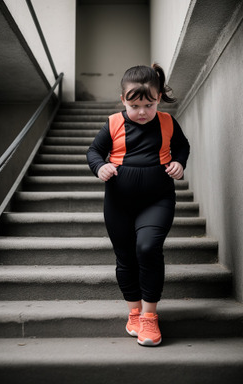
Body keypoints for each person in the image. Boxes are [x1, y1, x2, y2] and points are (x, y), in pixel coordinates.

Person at [86, 63, 190, 347]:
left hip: (158, 199)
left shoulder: (168, 122)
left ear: (158, 99)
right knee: (126, 257)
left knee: (147, 247)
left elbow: (182, 146)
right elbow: (94, 151)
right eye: (135, 106)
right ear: (123, 100)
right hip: (119, 202)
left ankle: (149, 316)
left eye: (148, 104)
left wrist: (180, 162)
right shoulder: (113, 123)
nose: (142, 112)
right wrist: (101, 167)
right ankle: (134, 311)